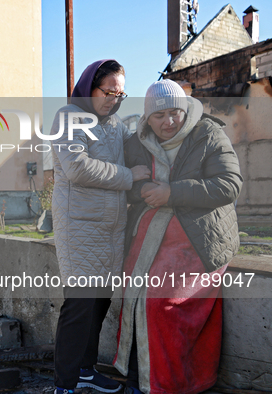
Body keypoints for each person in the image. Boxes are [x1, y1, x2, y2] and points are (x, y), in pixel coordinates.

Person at [115, 80, 242, 394]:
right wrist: (136, 185)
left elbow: (229, 185)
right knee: (131, 300)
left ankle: (170, 384)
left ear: (186, 110)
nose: (169, 122)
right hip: (148, 237)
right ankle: (138, 380)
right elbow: (122, 184)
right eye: (159, 116)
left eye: (175, 113)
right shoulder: (136, 142)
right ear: (147, 118)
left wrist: (171, 192)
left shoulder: (209, 134)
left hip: (198, 238)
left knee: (162, 307)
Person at [51, 59, 151, 394]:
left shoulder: (115, 125)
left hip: (111, 231)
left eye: (120, 94)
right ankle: (64, 385)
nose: (114, 99)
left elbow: (137, 144)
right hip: (80, 228)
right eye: (109, 91)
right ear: (89, 87)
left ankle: (85, 369)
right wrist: (128, 176)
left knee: (100, 302)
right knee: (79, 305)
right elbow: (77, 167)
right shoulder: (68, 117)